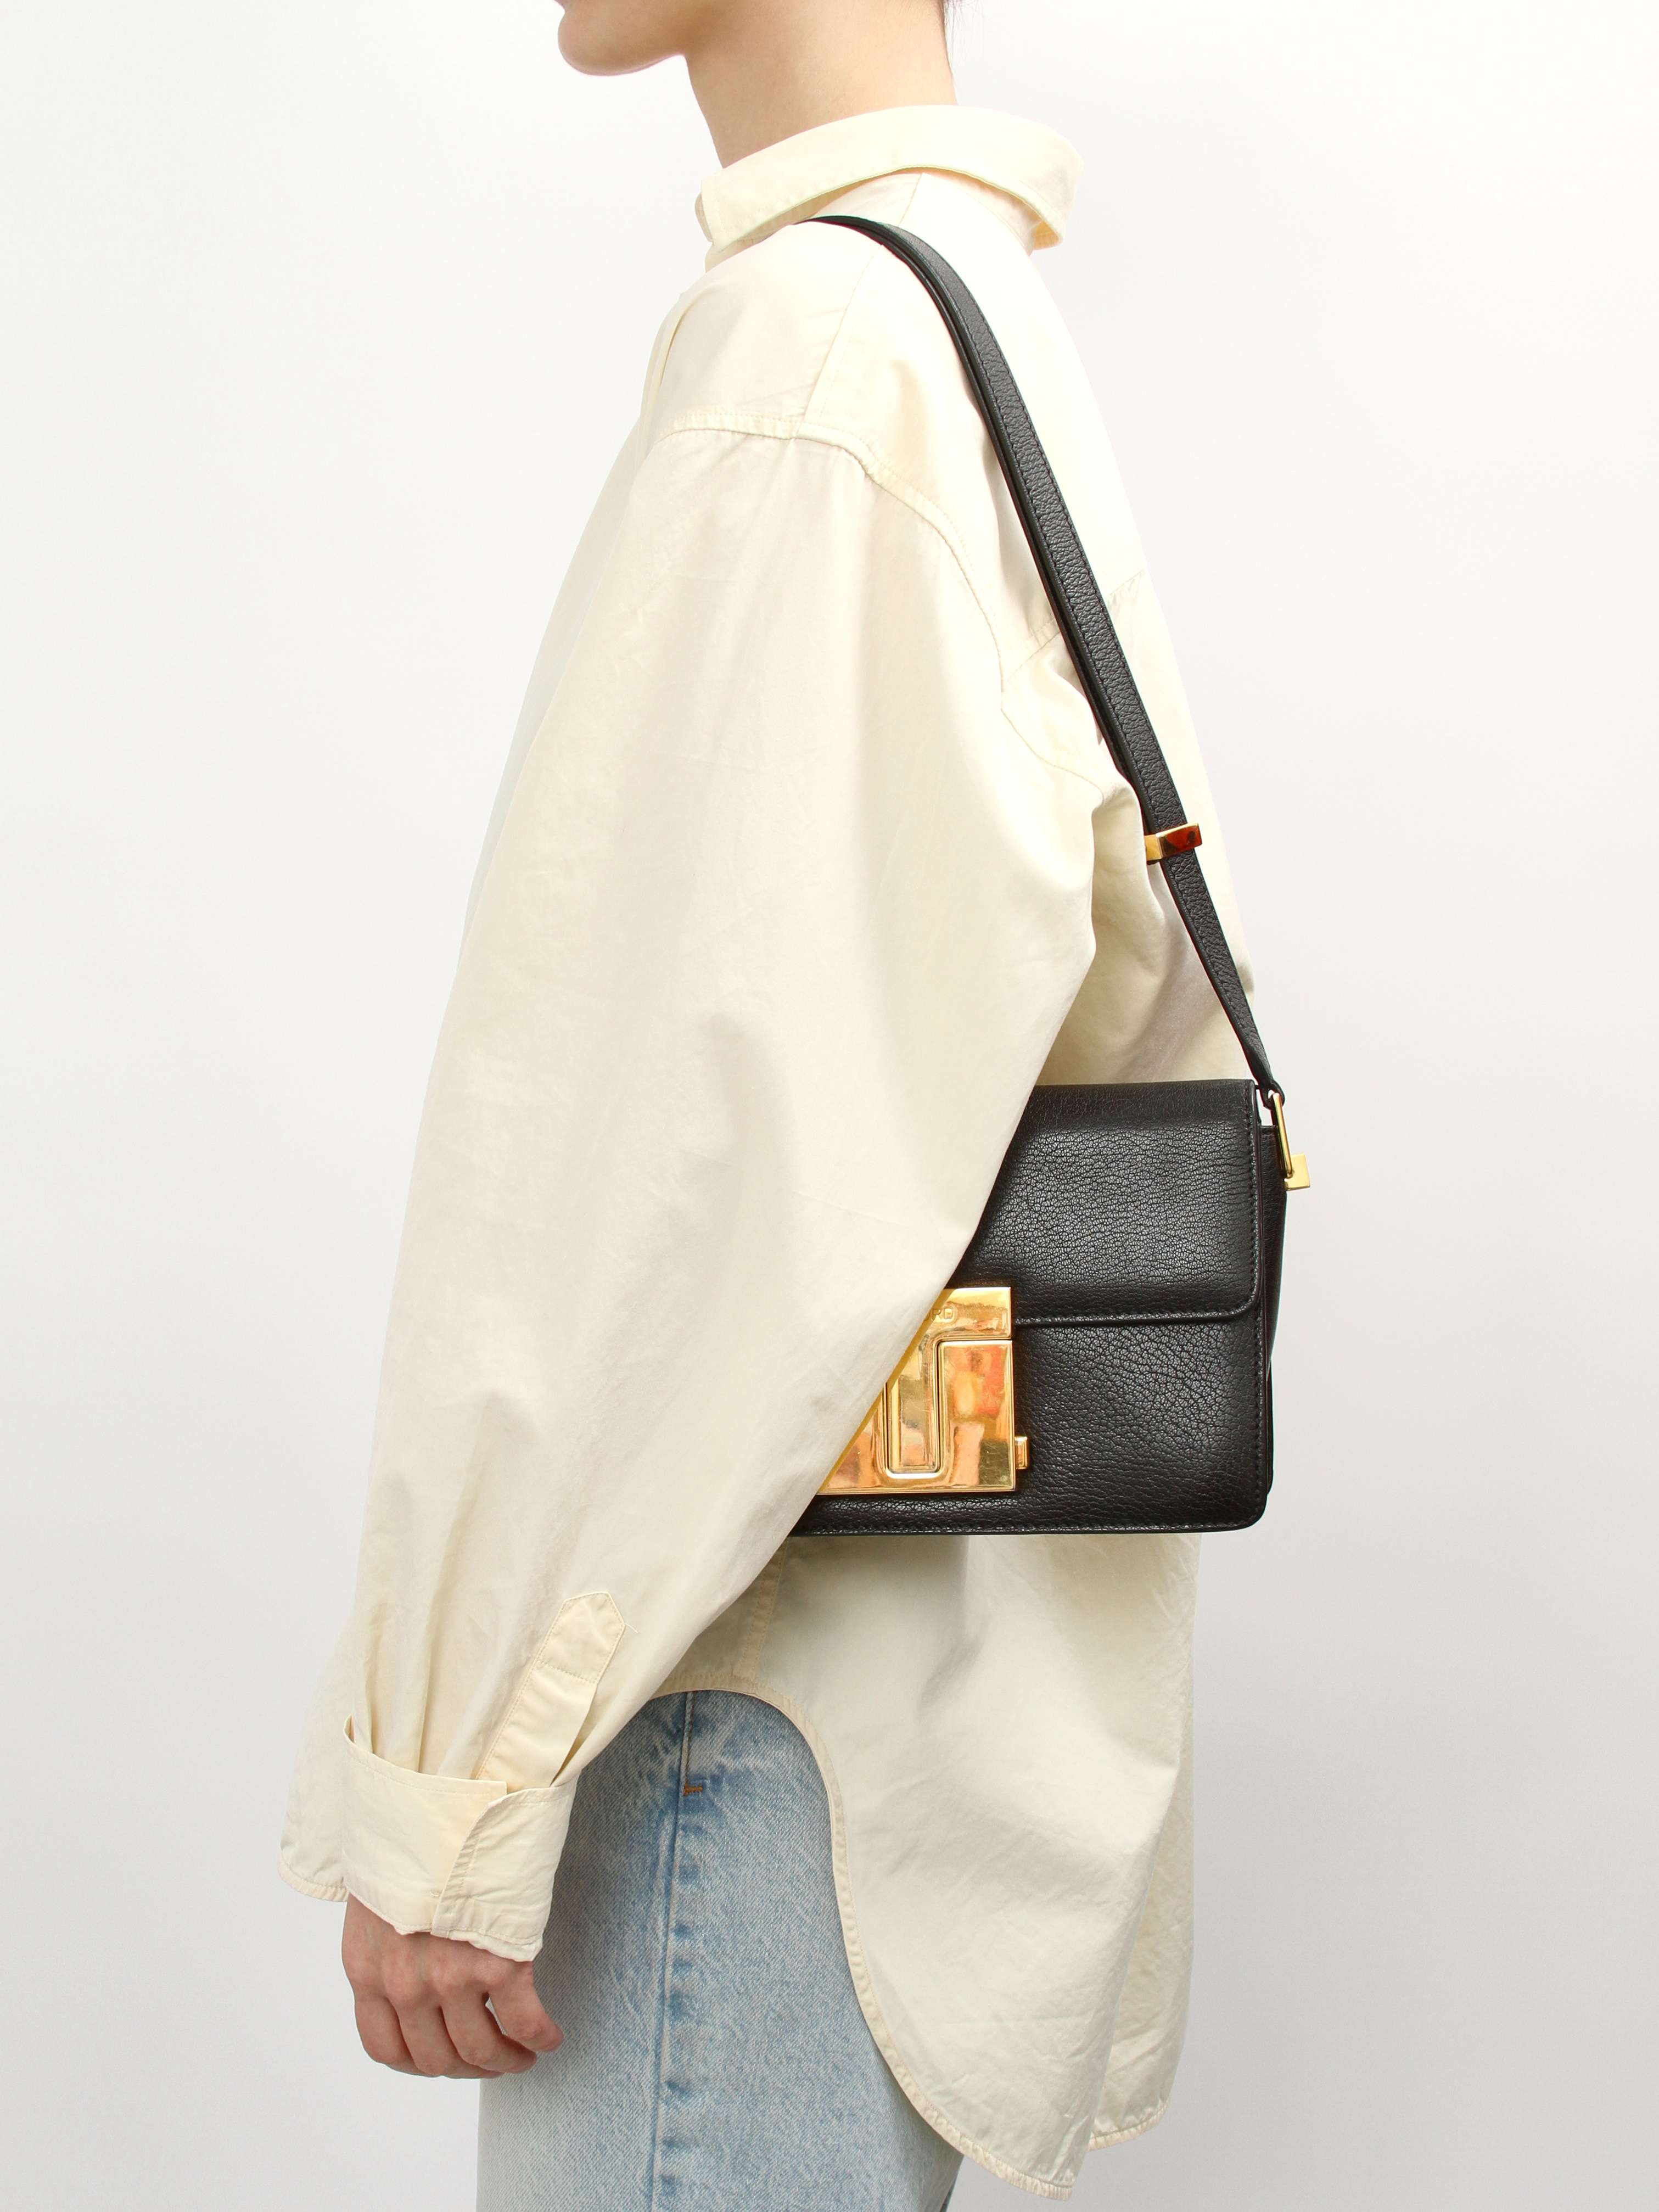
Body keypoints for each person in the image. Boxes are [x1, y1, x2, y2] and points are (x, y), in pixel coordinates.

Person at [280, 1, 1263, 2203]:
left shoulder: (821, 353)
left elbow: (681, 1169)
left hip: (727, 1712)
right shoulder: (946, 322)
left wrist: (455, 1767)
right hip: (856, 1714)